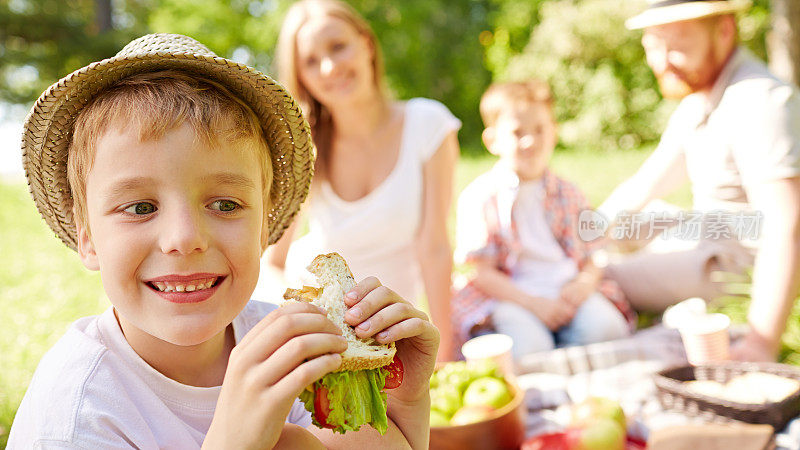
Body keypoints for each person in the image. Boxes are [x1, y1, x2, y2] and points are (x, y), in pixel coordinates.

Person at [7, 33, 439, 449]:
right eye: (140, 208)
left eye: (226, 204)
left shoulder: (285, 348)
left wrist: (403, 401)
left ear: (266, 227)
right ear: (89, 241)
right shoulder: (73, 421)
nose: (185, 238)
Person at [255, 0, 460, 361]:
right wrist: (290, 320)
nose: (330, 67)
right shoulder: (306, 149)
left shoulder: (428, 124)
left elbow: (435, 249)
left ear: (366, 43)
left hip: (387, 328)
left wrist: (443, 352)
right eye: (311, 61)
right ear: (300, 77)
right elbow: (273, 258)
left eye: (338, 47)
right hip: (320, 333)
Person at [600, 0, 800, 362]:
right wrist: (576, 237)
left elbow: (786, 226)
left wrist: (761, 343)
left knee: (601, 275)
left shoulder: (759, 101)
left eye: (676, 44)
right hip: (706, 229)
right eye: (653, 45)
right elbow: (647, 184)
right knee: (614, 229)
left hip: (731, 263)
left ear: (724, 31)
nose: (661, 62)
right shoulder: (702, 96)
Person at [451, 80, 635, 360]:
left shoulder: (567, 192)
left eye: (539, 130)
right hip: (513, 296)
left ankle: (567, 350)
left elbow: (595, 253)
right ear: (492, 141)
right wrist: (534, 304)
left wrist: (583, 284)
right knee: (528, 348)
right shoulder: (480, 197)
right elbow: (481, 272)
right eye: (517, 132)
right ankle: (545, 347)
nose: (531, 141)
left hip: (566, 289)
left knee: (608, 329)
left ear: (554, 132)